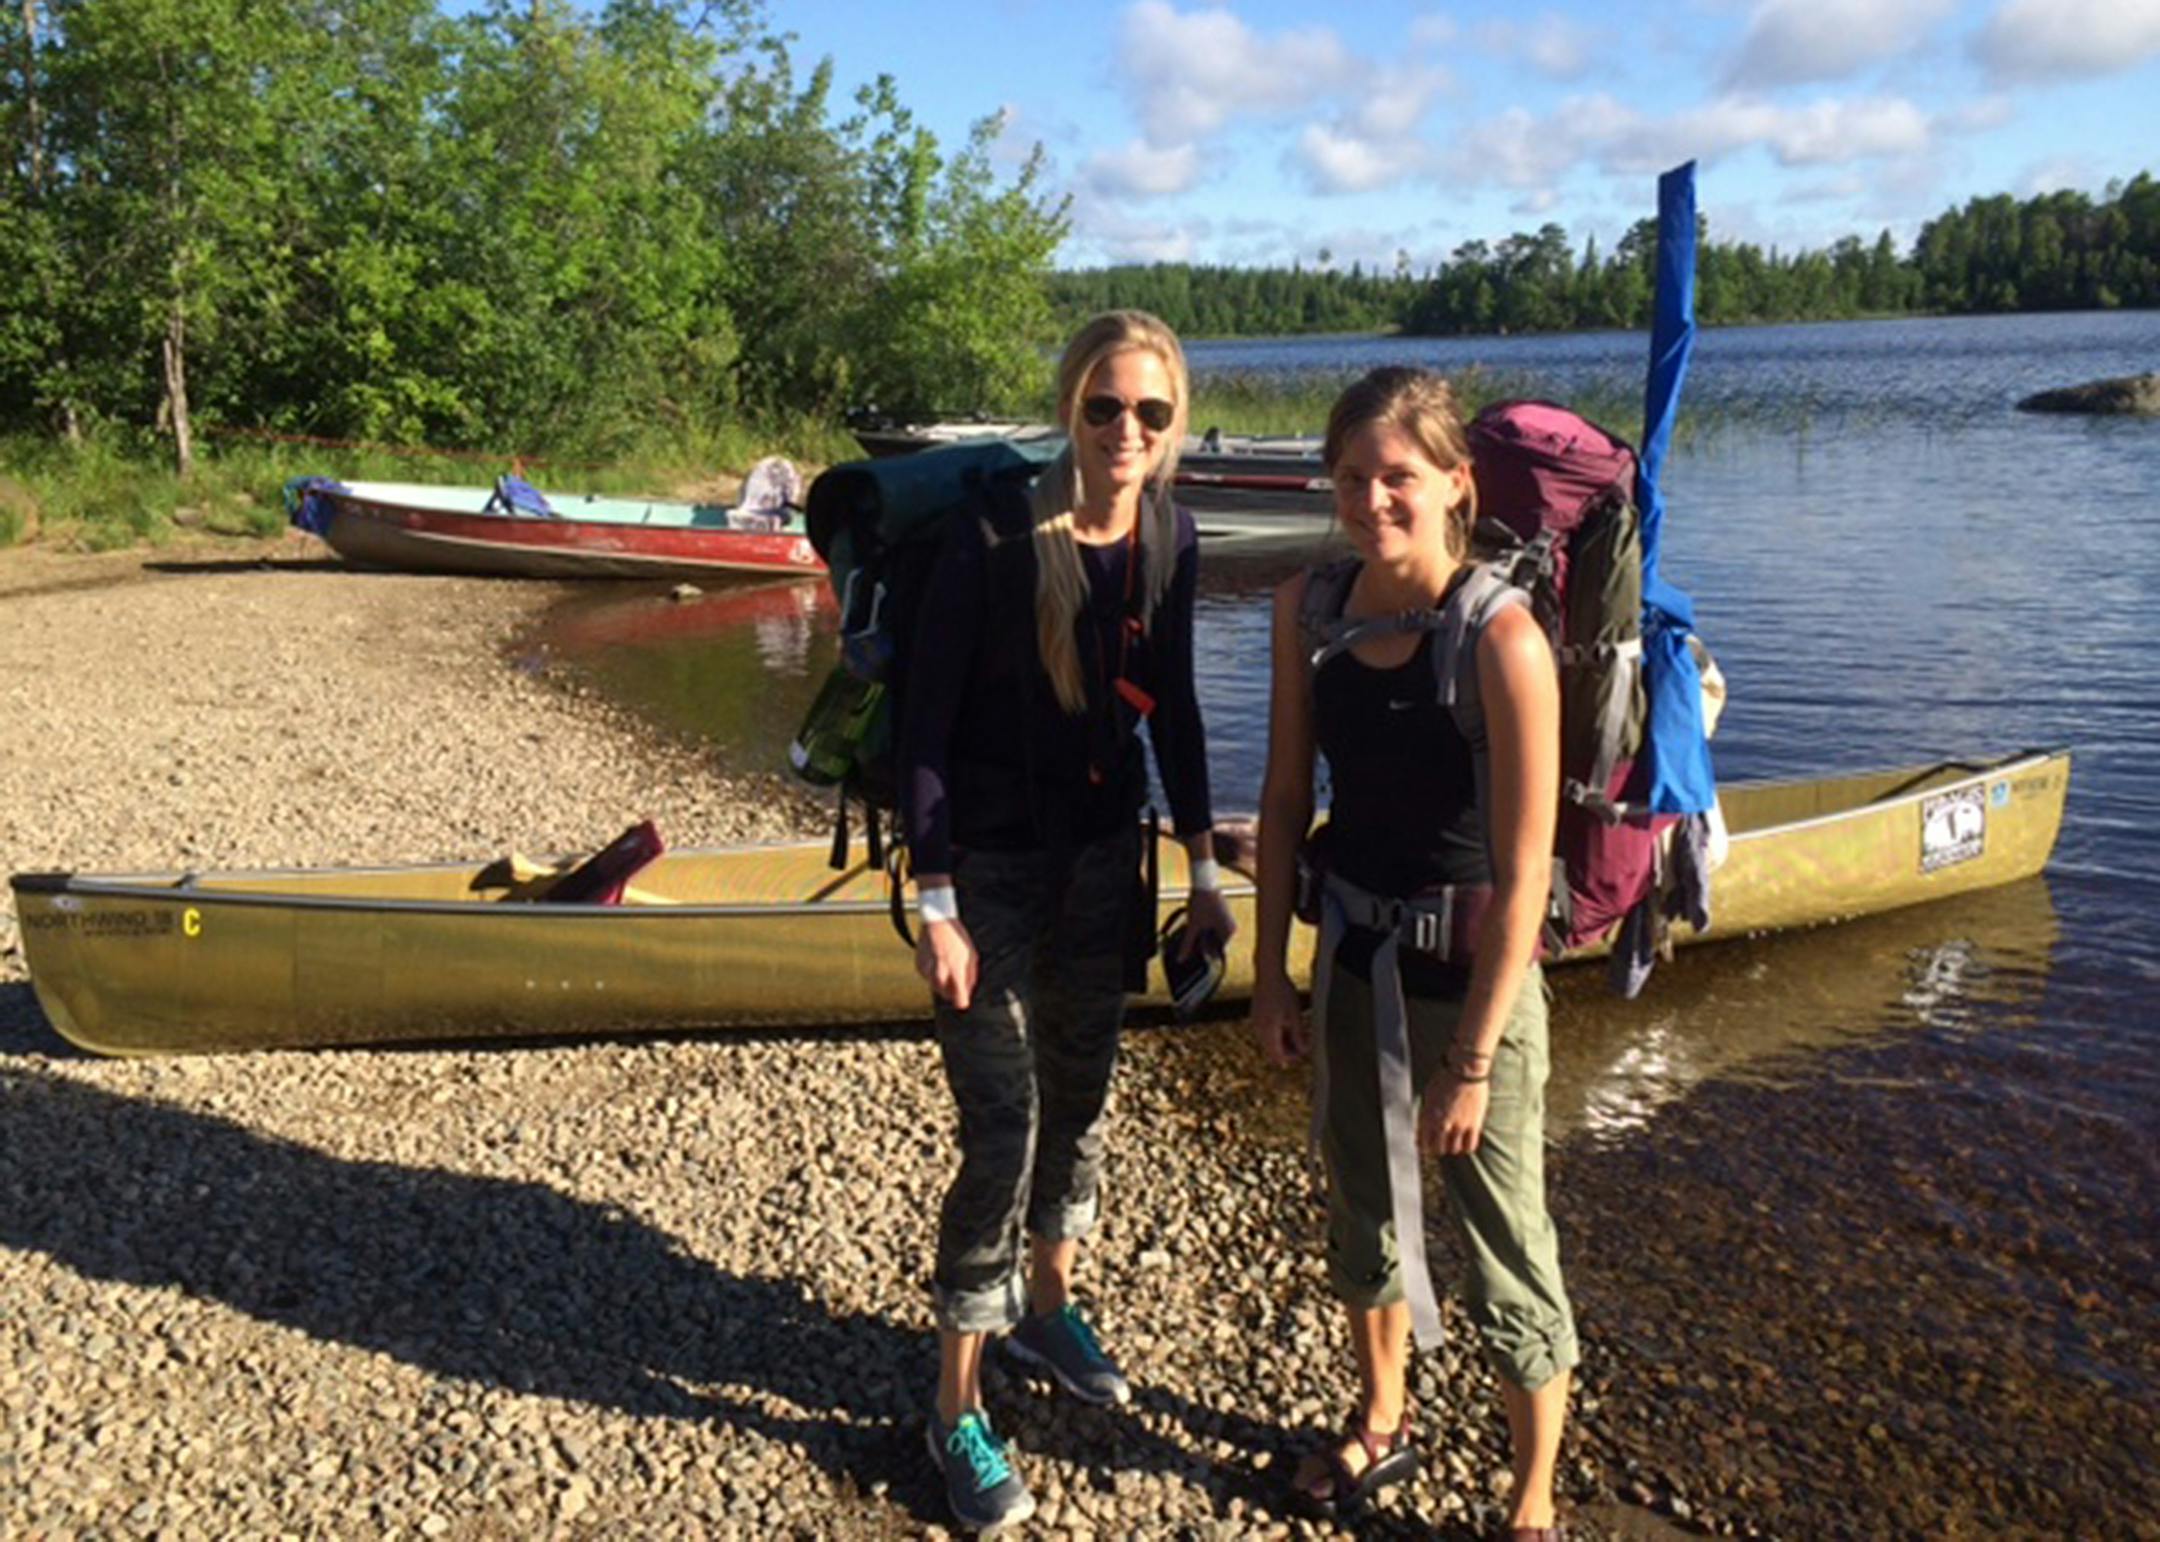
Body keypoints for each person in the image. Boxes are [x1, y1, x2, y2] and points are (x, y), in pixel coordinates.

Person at [898, 309, 1235, 1531]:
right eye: (1105, 408)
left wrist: (1203, 870)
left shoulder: (1172, 534)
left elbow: (1179, 713)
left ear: (1174, 420)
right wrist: (934, 904)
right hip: (982, 873)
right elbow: (921, 734)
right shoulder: (992, 537)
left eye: (1151, 412)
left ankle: (1046, 1307)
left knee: (1080, 1098)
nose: (1127, 431)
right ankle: (954, 1409)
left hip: (1107, 866)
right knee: (1005, 1126)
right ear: (1070, 410)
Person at [1247, 366, 1577, 1537]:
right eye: (1350, 478)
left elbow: (1530, 867)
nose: (1371, 500)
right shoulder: (1309, 611)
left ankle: (1530, 1504)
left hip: (1473, 989)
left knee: (1502, 1248)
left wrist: (1474, 1061)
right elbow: (1286, 800)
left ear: (1454, 485)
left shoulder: (1502, 636)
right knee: (1363, 1212)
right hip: (1348, 963)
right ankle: (1382, 1417)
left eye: (1397, 477)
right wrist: (1274, 976)